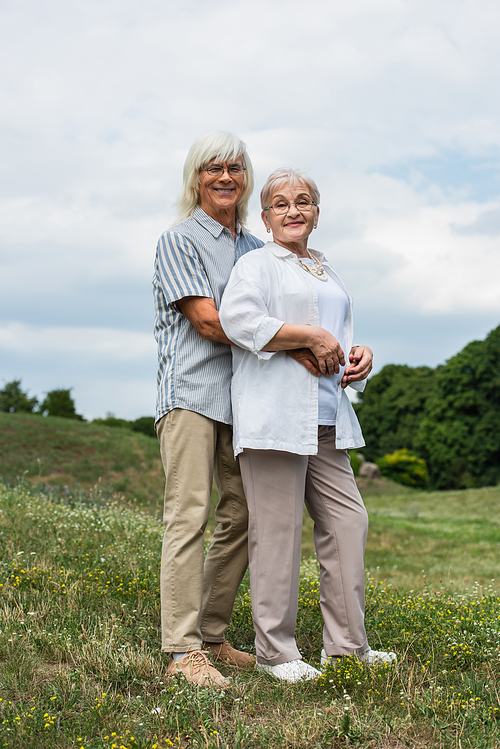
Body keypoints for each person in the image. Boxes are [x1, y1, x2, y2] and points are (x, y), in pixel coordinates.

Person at [219, 168, 397, 682]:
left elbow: (338, 338)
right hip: (275, 418)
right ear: (266, 216)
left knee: (348, 522)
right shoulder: (257, 264)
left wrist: (358, 357)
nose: (293, 210)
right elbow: (240, 320)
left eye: (303, 202)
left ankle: (347, 647)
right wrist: (306, 336)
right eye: (281, 203)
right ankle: (277, 654)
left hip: (326, 419)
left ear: (317, 214)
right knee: (276, 534)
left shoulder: (325, 268)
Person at [152, 131, 264, 687]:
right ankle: (181, 649)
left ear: (246, 179)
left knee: (243, 513)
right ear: (196, 178)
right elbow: (207, 322)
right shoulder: (179, 240)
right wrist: (295, 339)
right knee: (189, 514)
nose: (225, 177)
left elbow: (290, 307)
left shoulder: (257, 251)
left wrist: (342, 347)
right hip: (191, 396)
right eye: (213, 168)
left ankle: (212, 636)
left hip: (244, 400)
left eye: (235, 169)